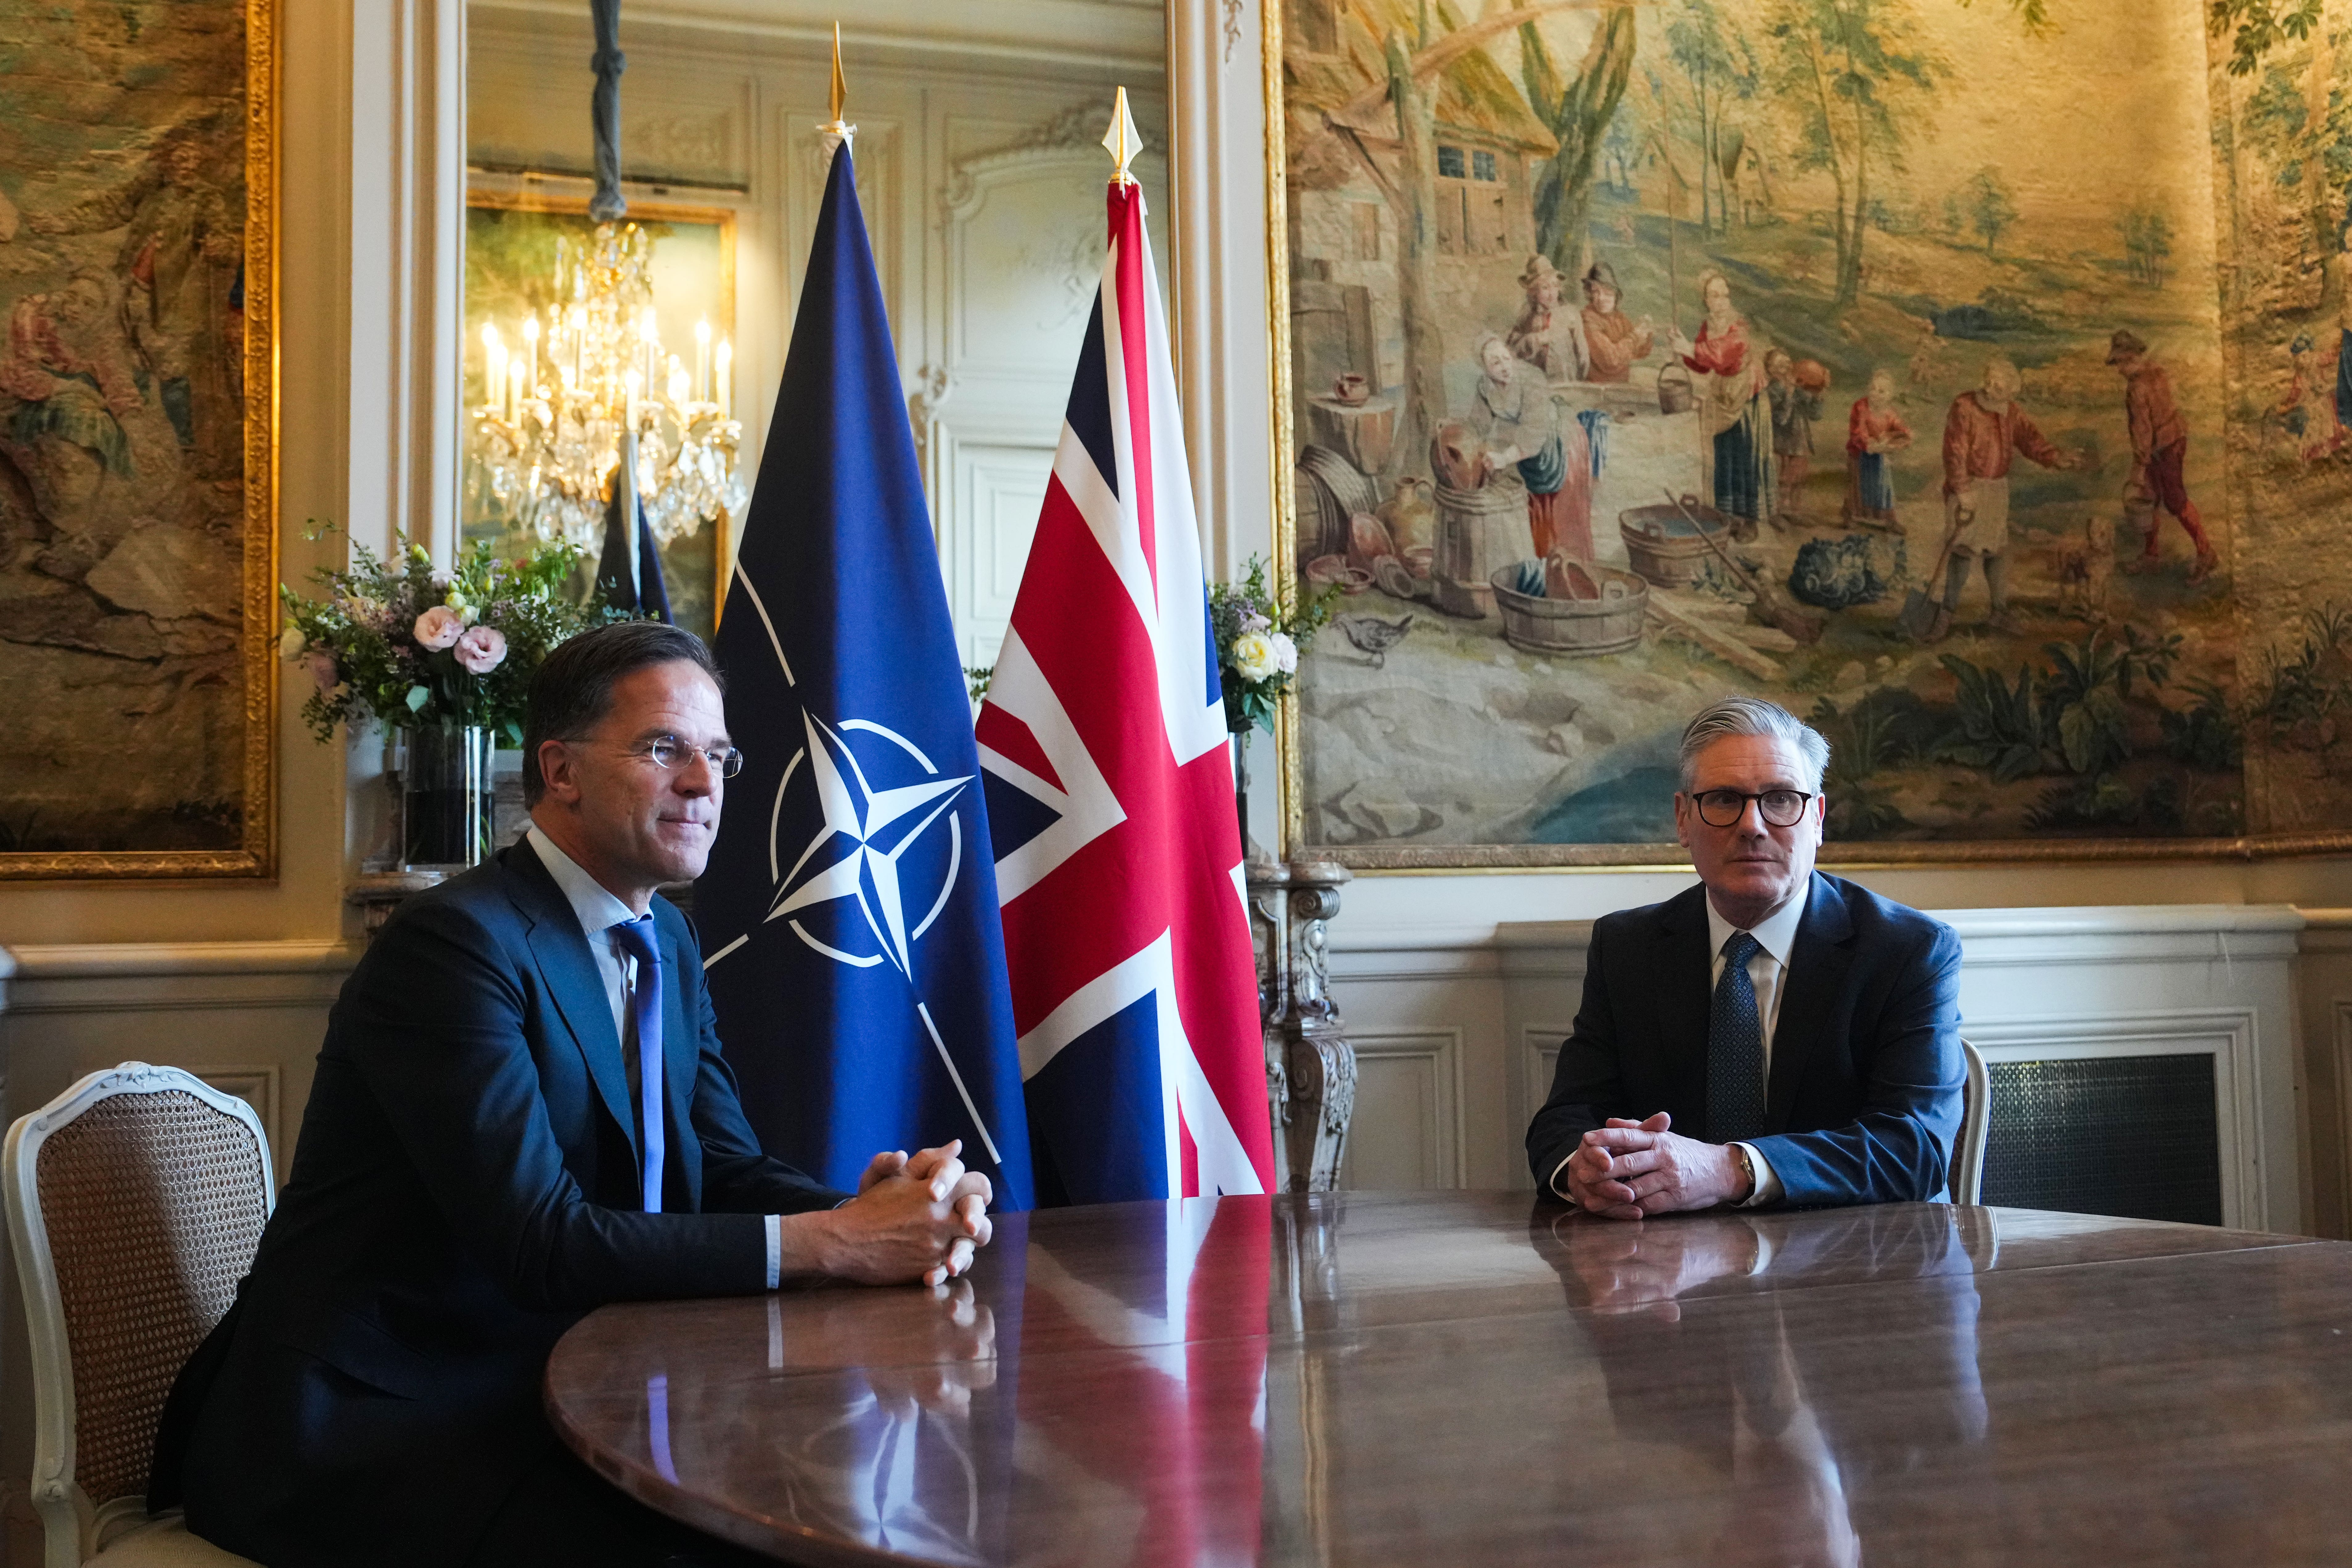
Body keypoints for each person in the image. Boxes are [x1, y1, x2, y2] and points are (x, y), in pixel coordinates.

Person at [152, 622, 998, 1568]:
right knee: (727, 1543)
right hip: (384, 1414)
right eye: (663, 748)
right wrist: (835, 1244)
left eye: (718, 754)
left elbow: (719, 1165)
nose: (703, 783)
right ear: (558, 771)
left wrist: (879, 1211)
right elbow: (538, 1242)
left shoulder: (666, 942)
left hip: (572, 1381)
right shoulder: (453, 947)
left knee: (837, 1496)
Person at [1526, 696, 1965, 1215]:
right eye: (1724, 799)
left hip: (1853, 1264)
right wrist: (1587, 1170)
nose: (1753, 824)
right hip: (1667, 1270)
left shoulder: (1906, 950)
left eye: (1781, 799)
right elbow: (1566, 1119)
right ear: (1683, 819)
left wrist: (1729, 1168)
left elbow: (1913, 1149)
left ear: (1817, 819)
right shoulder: (1628, 947)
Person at [1937, 357, 2083, 637]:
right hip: (1969, 488)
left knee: (1996, 551)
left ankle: (1999, 612)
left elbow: (2030, 440)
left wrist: (2055, 458)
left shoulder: (2010, 411)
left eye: (2005, 393)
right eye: (1997, 388)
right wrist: (1963, 489)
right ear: (1988, 383)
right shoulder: (1965, 407)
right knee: (1962, 550)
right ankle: (1946, 614)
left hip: (1996, 490)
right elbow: (1954, 450)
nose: (1998, 396)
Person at [1468, 330, 1593, 563]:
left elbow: (1534, 431)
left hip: (1559, 445)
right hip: (1527, 451)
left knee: (1561, 515)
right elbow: (1479, 426)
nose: (1505, 366)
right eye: (1495, 362)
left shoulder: (1532, 378)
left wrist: (1504, 459)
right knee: (1532, 512)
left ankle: (1570, 568)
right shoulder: (1485, 387)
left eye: (1507, 358)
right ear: (1484, 367)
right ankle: (1539, 565)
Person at [2106, 329, 2219, 584]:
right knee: (2151, 497)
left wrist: (2139, 465)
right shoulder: (2156, 371)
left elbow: (2143, 430)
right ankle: (2151, 555)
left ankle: (2206, 553)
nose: (2119, 369)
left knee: (2176, 501)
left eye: (2121, 362)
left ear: (2132, 357)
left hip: (2163, 448)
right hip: (2175, 438)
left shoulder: (2136, 389)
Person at [1670, 271, 1774, 530]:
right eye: (1715, 296)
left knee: (1745, 457)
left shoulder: (1738, 325)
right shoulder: (1708, 325)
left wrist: (1691, 349)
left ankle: (1749, 522)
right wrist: (1682, 349)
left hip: (1745, 395)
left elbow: (1724, 353)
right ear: (1705, 300)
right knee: (1723, 455)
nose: (1722, 301)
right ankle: (1726, 517)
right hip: (1723, 395)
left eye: (1725, 295)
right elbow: (1704, 366)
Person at [1842, 367, 1911, 530]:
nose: (1876, 394)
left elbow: (1902, 431)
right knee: (1857, 485)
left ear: (1889, 396)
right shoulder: (1861, 407)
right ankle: (1850, 515)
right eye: (1873, 389)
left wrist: (1896, 439)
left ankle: (1889, 520)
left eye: (1882, 391)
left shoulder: (1890, 413)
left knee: (1884, 486)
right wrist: (1871, 444)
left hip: (1879, 455)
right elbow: (1858, 432)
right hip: (1859, 453)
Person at [1505, 253, 1590, 382]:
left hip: (1566, 380)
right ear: (1533, 291)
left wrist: (1578, 380)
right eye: (1545, 288)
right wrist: (1533, 340)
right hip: (1535, 382)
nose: (1552, 294)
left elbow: (1583, 355)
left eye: (1555, 286)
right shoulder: (1526, 314)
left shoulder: (1571, 314)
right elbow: (1511, 349)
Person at [1766, 349, 1824, 519]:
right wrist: (1790, 395)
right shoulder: (1773, 389)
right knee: (1783, 478)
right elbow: (1780, 419)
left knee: (1799, 478)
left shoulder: (1799, 387)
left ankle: (1795, 512)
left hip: (1800, 441)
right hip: (1782, 442)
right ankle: (1778, 512)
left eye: (1787, 362)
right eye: (1780, 364)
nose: (1786, 366)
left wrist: (1818, 396)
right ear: (1770, 369)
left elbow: (1815, 415)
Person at [1580, 259, 1653, 384]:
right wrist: (1636, 336)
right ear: (1590, 294)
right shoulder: (1588, 320)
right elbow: (1611, 361)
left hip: (1621, 385)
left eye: (1608, 293)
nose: (1601, 298)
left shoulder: (1619, 318)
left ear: (1616, 296)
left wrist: (1646, 333)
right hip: (1597, 389)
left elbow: (1640, 353)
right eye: (1596, 292)